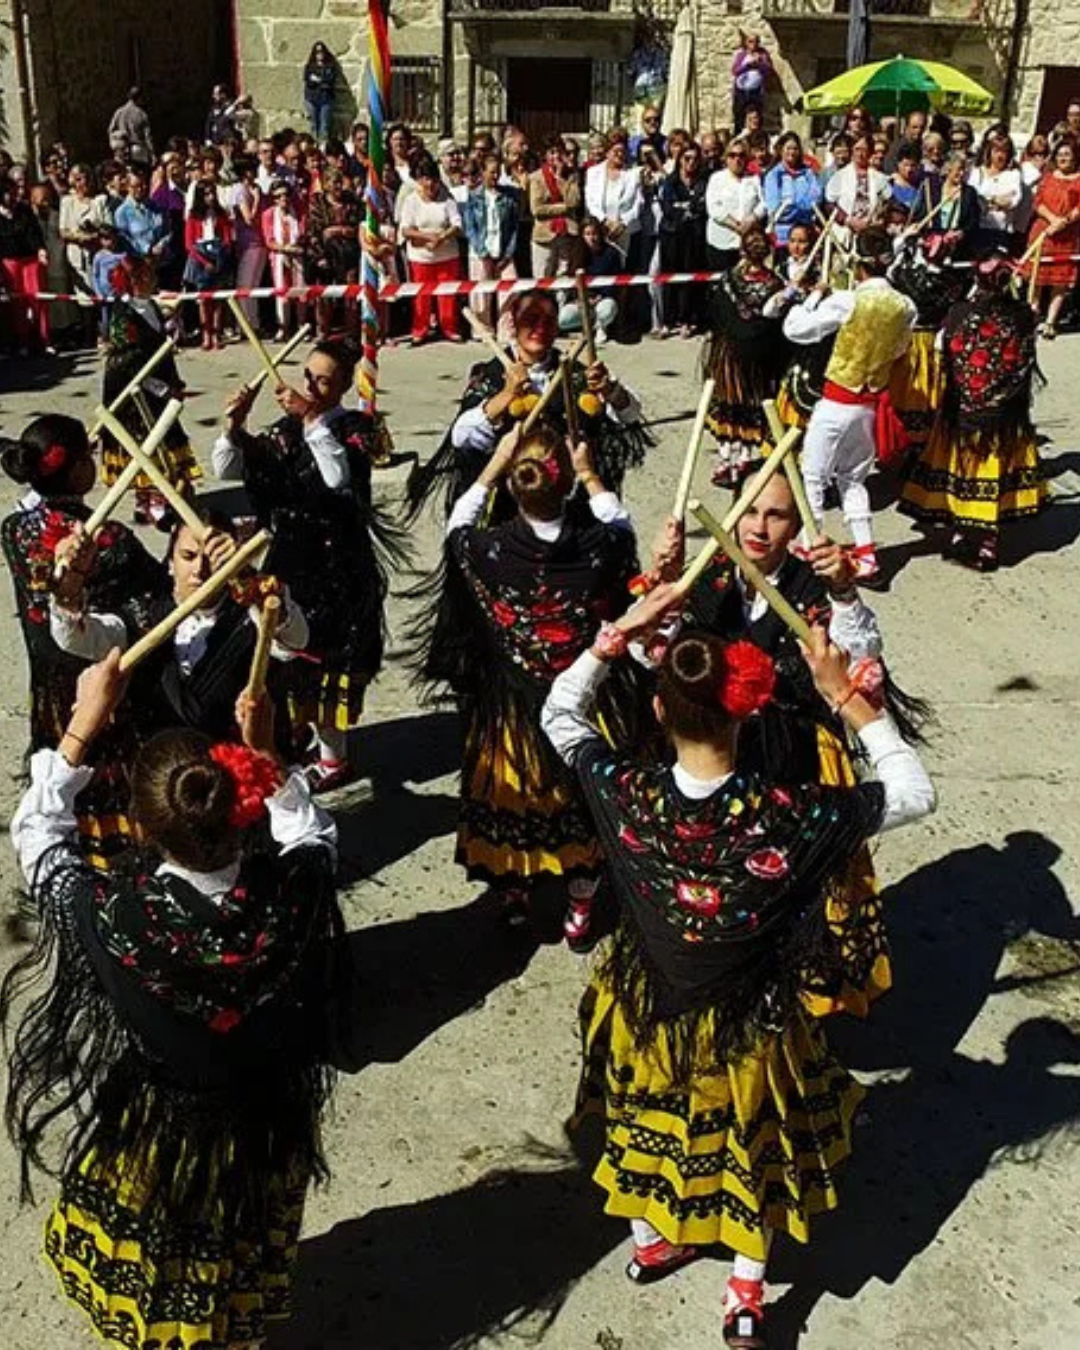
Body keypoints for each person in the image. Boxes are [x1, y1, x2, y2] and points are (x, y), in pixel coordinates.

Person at [540, 586, 935, 1343]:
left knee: (649, 1123)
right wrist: (847, 697)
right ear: (747, 711)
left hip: (648, 1008)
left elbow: (559, 713)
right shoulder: (790, 812)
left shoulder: (624, 791)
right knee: (756, 1148)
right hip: (753, 1021)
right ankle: (746, 1292)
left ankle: (653, 1239)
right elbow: (915, 792)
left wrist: (615, 632)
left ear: (659, 713)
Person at [2, 650, 341, 1350]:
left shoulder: (113, 913)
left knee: (167, 1239)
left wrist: (80, 726)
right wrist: (268, 753)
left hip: (161, 1123)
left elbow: (39, 840)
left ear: (140, 826)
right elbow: (310, 832)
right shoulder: (296, 892)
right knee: (238, 1238)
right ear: (241, 807)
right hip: (262, 1114)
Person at [419, 422, 639, 945]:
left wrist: (492, 467)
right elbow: (622, 523)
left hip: (513, 704)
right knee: (582, 802)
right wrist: (591, 475)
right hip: (585, 701)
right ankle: (580, 906)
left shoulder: (487, 551)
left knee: (515, 800)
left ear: (514, 487)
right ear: (563, 483)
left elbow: (457, 523)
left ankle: (515, 891)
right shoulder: (598, 547)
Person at [213, 338, 400, 791]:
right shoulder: (283, 428)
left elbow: (338, 477)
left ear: (341, 386)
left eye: (323, 379)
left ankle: (334, 759)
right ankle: (295, 735)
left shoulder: (356, 427)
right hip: (290, 557)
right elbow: (227, 470)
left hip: (337, 565)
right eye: (307, 374)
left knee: (327, 665)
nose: (310, 385)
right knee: (284, 655)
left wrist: (312, 419)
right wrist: (234, 426)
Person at [0, 415, 165, 867]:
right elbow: (158, 595)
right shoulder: (111, 538)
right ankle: (117, 857)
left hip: (48, 681)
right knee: (107, 767)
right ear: (75, 472)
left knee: (61, 757)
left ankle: (63, 845)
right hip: (100, 681)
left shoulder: (14, 531)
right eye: (88, 458)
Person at [410, 288, 648, 518]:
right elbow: (461, 436)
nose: (540, 328)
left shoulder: (576, 372)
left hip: (571, 503)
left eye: (548, 321)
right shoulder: (490, 373)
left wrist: (610, 390)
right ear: (513, 323)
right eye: (530, 319)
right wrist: (506, 394)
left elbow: (630, 414)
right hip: (509, 505)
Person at [783, 226, 916, 580]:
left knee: (813, 475)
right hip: (870, 405)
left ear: (858, 264)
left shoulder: (848, 300)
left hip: (836, 400)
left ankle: (809, 545)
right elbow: (901, 349)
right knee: (853, 480)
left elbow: (795, 330)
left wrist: (811, 297)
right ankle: (867, 554)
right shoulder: (906, 306)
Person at [901, 253, 1046, 571]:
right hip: (1003, 414)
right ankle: (987, 545)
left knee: (961, 473)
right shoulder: (1023, 316)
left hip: (962, 411)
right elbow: (1023, 361)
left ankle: (959, 535)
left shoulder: (957, 315)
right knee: (991, 472)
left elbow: (944, 353)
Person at [98, 255, 202, 524]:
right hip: (133, 393)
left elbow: (159, 349)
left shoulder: (152, 307)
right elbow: (126, 363)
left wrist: (173, 382)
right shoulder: (122, 315)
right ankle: (147, 500)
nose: (155, 279)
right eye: (149, 275)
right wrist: (159, 388)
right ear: (137, 280)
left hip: (158, 384)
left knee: (161, 438)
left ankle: (157, 497)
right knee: (144, 442)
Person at [703, 224, 786, 487]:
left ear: (742, 251)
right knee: (747, 403)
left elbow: (717, 317)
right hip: (754, 358)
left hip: (733, 355)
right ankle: (743, 459)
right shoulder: (776, 285)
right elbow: (777, 328)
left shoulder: (729, 281)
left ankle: (730, 459)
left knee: (734, 402)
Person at [399, 156, 463, 345]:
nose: (430, 184)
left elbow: (457, 224)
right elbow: (405, 228)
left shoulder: (447, 197)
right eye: (425, 179)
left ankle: (450, 328)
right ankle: (420, 329)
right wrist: (427, 238)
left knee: (448, 293)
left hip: (447, 254)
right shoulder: (411, 200)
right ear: (418, 180)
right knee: (421, 295)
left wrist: (442, 237)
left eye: (433, 179)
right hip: (420, 255)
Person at [1026, 137, 1080, 338]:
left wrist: (1063, 221)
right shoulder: (1048, 176)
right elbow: (1038, 201)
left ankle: (1050, 322)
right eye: (1060, 154)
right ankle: (1032, 315)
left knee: (1060, 281)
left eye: (1067, 154)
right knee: (1037, 277)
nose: (1063, 158)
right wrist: (1052, 219)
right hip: (1044, 231)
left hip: (1067, 235)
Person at [461, 153, 519, 330]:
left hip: (502, 249)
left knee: (510, 286)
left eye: (497, 172)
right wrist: (482, 252)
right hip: (481, 250)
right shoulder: (473, 197)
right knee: (481, 291)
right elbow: (470, 227)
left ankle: (506, 329)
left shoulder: (509, 197)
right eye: (491, 172)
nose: (495, 176)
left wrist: (507, 253)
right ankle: (482, 329)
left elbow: (513, 227)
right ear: (482, 173)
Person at [658, 142, 709, 336]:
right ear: (679, 160)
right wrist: (687, 209)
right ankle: (667, 321)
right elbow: (668, 208)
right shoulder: (670, 182)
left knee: (689, 278)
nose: (691, 163)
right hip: (671, 234)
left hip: (693, 236)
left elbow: (701, 208)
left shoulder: (703, 182)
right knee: (669, 277)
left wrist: (686, 208)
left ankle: (686, 320)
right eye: (686, 158)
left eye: (695, 159)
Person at [306, 167, 361, 337]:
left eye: (339, 181)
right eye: (332, 182)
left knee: (351, 290)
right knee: (325, 293)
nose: (337, 186)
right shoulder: (317, 202)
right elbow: (316, 232)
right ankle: (323, 330)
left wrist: (337, 230)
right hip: (325, 253)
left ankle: (351, 330)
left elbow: (356, 226)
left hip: (349, 253)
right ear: (325, 184)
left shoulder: (351, 201)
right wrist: (320, 255)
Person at [184, 178, 234, 350]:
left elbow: (227, 236)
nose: (210, 197)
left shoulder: (220, 214)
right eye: (206, 194)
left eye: (212, 193)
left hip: (218, 255)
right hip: (201, 257)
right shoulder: (193, 216)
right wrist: (204, 261)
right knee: (203, 300)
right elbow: (189, 244)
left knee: (218, 298)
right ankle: (206, 333)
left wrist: (223, 253)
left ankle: (216, 333)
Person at [0, 174, 48, 355]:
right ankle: (23, 342)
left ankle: (44, 339)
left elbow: (35, 232)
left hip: (30, 260)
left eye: (13, 193)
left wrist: (41, 250)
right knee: (17, 303)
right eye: (7, 193)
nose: (11, 197)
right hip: (9, 261)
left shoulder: (24, 210)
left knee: (39, 299)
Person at [705, 139, 765, 273]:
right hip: (721, 243)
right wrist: (736, 226)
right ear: (726, 158)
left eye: (741, 155)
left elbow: (763, 204)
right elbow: (714, 208)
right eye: (732, 155)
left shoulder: (754, 179)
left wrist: (751, 219)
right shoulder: (716, 179)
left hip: (746, 244)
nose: (737, 159)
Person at [557, 217, 621, 344]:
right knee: (563, 319)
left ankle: (601, 327)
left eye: (594, 233)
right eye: (587, 234)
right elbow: (571, 280)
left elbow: (615, 282)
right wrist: (580, 298)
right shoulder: (576, 252)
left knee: (607, 309)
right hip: (581, 299)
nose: (592, 238)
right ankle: (586, 325)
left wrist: (599, 297)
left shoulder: (611, 253)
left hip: (602, 298)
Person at [584, 135, 643, 265]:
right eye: (616, 151)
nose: (620, 154)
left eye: (623, 151)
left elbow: (639, 203)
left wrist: (622, 223)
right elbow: (590, 201)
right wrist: (605, 221)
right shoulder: (593, 172)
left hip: (626, 232)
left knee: (623, 271)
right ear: (607, 152)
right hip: (600, 231)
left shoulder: (633, 173)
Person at [529, 135, 582, 278]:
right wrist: (563, 208)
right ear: (545, 155)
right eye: (552, 152)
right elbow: (537, 209)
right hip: (545, 235)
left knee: (563, 274)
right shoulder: (536, 178)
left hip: (567, 233)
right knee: (543, 274)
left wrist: (561, 180)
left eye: (559, 152)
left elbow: (574, 201)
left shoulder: (572, 176)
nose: (556, 156)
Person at [762, 132, 822, 250]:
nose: (792, 152)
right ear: (781, 150)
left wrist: (792, 205)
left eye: (795, 148)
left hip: (806, 235)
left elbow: (816, 199)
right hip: (782, 237)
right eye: (788, 148)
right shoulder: (773, 176)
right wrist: (802, 209)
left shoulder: (808, 174)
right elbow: (774, 208)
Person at [826, 135, 890, 242]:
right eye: (857, 149)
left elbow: (888, 202)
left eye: (864, 150)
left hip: (870, 232)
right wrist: (848, 220)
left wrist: (879, 219)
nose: (860, 154)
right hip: (845, 234)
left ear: (870, 152)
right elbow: (830, 204)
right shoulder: (840, 176)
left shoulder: (880, 178)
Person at [113, 168, 167, 263]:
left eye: (144, 185)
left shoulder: (155, 206)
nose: (141, 189)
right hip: (138, 264)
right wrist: (148, 249)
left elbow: (167, 230)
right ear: (128, 187)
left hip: (161, 261)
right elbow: (125, 239)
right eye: (136, 186)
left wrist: (161, 244)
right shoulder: (122, 212)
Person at [732, 32, 773, 130]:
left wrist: (759, 64)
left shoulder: (763, 54)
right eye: (750, 41)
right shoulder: (742, 55)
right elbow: (735, 71)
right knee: (739, 116)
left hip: (756, 92)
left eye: (756, 41)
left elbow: (768, 71)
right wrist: (747, 66)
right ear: (746, 43)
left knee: (756, 117)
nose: (753, 44)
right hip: (740, 92)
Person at [107, 86, 154, 167]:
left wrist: (115, 142)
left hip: (122, 149)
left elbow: (110, 130)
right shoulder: (141, 114)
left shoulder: (119, 112)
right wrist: (152, 153)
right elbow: (147, 136)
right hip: (138, 149)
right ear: (139, 98)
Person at [303, 42, 339, 142]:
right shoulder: (310, 66)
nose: (320, 54)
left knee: (324, 126)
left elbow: (330, 82)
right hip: (312, 98)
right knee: (313, 125)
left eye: (322, 51)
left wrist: (318, 80)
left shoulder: (330, 66)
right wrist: (321, 81)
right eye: (317, 52)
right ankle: (313, 146)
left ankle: (323, 147)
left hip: (326, 99)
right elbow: (308, 81)